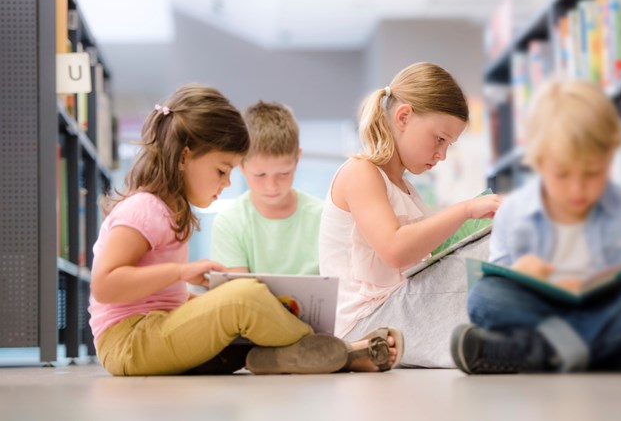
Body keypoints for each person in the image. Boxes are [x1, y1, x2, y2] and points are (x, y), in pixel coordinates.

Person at [88, 84, 399, 376]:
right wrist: (181, 271)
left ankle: (274, 357)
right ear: (185, 158)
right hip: (128, 341)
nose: (225, 184)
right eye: (222, 171)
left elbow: (154, 297)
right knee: (243, 297)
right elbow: (104, 285)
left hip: (151, 329)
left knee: (241, 305)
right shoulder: (144, 208)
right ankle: (345, 352)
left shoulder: (170, 212)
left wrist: (198, 299)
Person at [451, 79, 621, 374]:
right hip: (542, 314)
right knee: (485, 296)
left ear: (610, 159)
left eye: (592, 173)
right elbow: (498, 283)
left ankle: (535, 354)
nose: (577, 188)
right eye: (562, 174)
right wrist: (520, 275)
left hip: (607, 312)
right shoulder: (514, 213)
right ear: (539, 162)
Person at [319, 62, 502, 368]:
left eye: (448, 145)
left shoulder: (405, 188)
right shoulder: (360, 173)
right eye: (440, 139)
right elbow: (395, 249)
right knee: (487, 253)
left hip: (390, 310)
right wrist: (467, 210)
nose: (442, 155)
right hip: (364, 323)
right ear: (403, 117)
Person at [211, 101, 322, 276]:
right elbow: (237, 294)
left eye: (284, 173)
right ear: (240, 164)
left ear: (297, 159)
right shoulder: (230, 222)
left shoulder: (323, 218)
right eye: (260, 175)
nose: (272, 186)